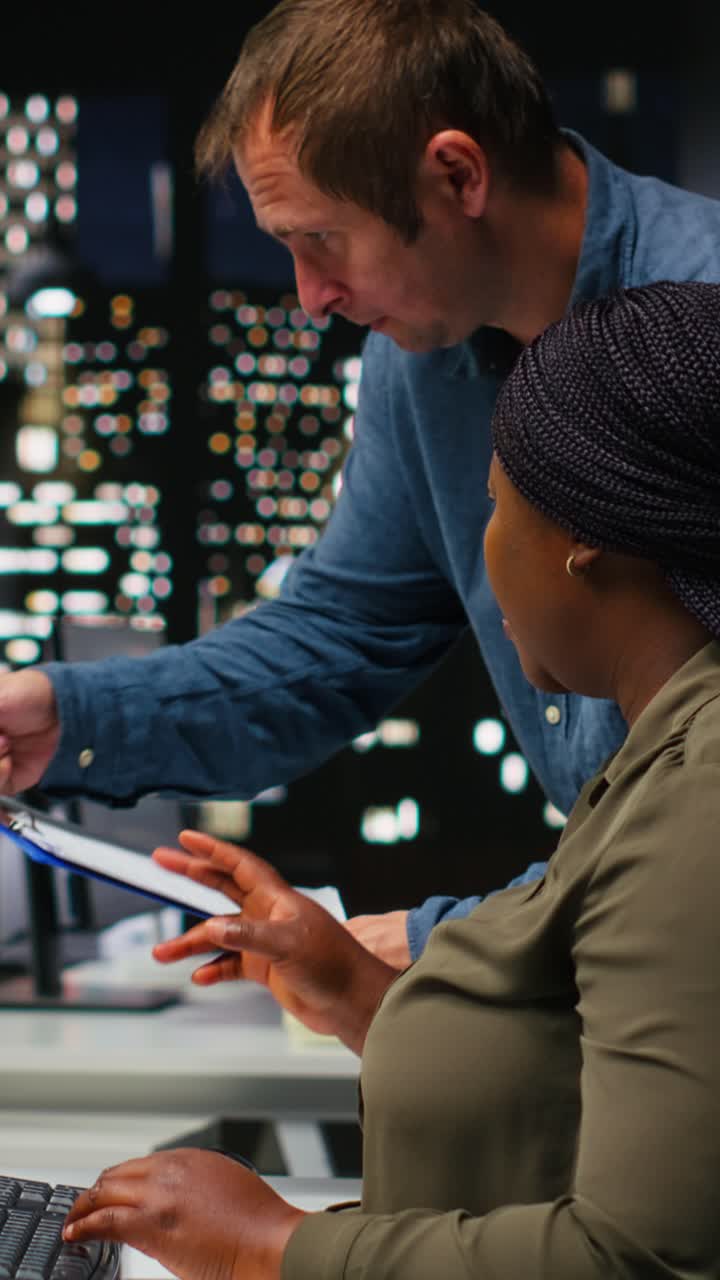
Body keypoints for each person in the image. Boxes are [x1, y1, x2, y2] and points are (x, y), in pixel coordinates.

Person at [2, 1, 720, 968]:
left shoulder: (700, 316)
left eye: (322, 241)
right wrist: (69, 717)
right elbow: (340, 638)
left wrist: (451, 941)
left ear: (457, 174)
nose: (310, 297)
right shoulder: (422, 359)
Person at [63, 281, 720, 1279]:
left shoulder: (699, 799)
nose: (483, 550)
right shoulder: (661, 750)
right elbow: (576, 1080)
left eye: (494, 506)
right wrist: (352, 986)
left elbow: (639, 1254)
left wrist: (270, 1243)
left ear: (587, 538)